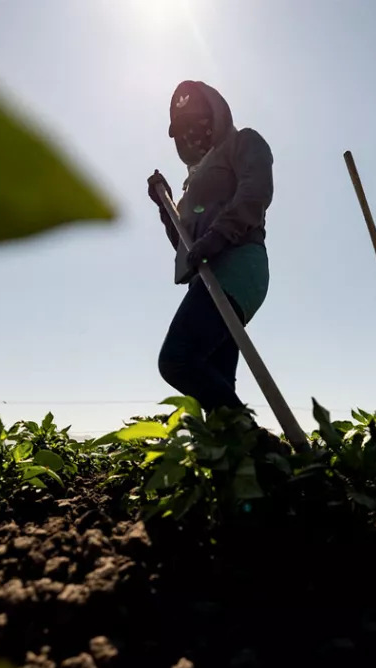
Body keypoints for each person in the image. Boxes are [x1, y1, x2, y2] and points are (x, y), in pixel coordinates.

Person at [145, 79, 273, 417]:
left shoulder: (243, 142)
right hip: (208, 274)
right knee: (216, 381)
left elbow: (255, 193)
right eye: (183, 128)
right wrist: (166, 205)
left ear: (216, 114)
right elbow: (185, 244)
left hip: (238, 263)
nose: (191, 133)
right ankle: (238, 462)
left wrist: (217, 237)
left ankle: (253, 438)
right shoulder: (193, 184)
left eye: (198, 122)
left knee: (177, 359)